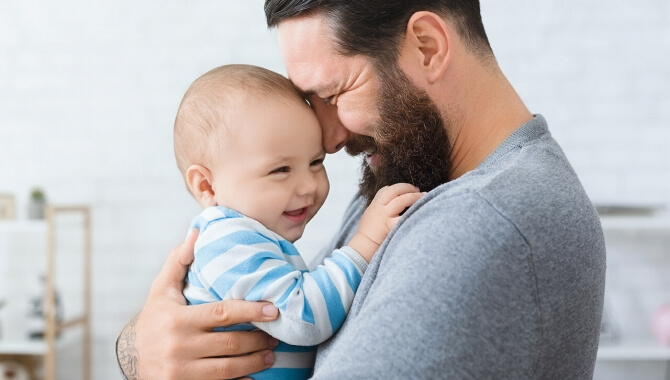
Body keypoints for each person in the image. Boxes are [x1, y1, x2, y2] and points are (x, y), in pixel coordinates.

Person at [117, 1, 607, 379]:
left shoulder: (482, 221)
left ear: (427, 47)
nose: (329, 139)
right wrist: (145, 346)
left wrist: (143, 356)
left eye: (334, 95)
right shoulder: (412, 174)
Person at [173, 64, 423, 379]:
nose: (308, 185)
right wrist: (364, 244)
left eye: (316, 162)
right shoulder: (227, 241)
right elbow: (303, 317)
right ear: (207, 186)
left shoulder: (250, 238)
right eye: (281, 170)